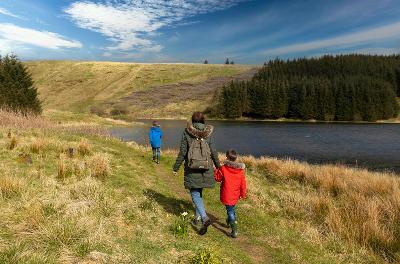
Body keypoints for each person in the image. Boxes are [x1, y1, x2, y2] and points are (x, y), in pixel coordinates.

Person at [173, 112, 221, 235]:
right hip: (206, 167)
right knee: (198, 193)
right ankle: (196, 219)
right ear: (203, 120)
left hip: (192, 168)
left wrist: (176, 167)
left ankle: (204, 218)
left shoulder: (187, 132)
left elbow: (183, 152)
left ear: (193, 120)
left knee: (194, 193)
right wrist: (218, 166)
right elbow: (213, 151)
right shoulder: (208, 133)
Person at [214, 149, 246, 238]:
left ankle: (234, 230)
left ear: (227, 157)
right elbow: (243, 184)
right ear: (235, 158)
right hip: (236, 194)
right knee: (232, 208)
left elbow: (217, 178)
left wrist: (216, 170)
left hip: (227, 193)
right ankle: (229, 220)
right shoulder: (240, 170)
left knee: (230, 211)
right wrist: (243, 194)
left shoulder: (224, 168)